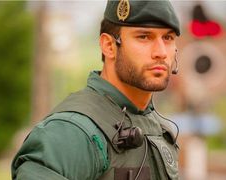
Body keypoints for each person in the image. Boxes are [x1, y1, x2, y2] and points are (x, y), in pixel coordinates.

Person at [11, 0, 181, 179]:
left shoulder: (159, 127)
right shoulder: (70, 132)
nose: (161, 52)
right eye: (144, 37)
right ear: (109, 46)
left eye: (168, 38)